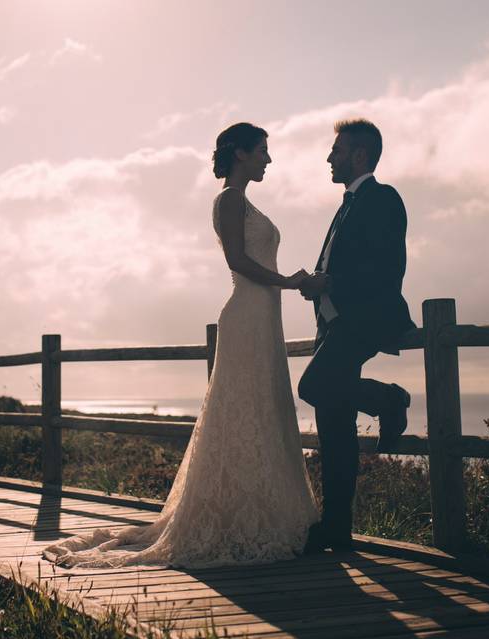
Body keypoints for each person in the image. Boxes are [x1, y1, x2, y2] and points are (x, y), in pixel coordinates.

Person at [42, 123, 319, 569]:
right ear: (241, 153)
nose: (269, 159)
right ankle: (234, 521)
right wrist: (289, 281)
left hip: (265, 318)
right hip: (247, 315)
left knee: (263, 411)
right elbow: (237, 260)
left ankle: (262, 513)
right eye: (263, 151)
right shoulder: (229, 200)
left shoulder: (245, 202)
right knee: (240, 412)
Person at [297, 119, 416, 553]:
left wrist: (328, 283)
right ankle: (337, 528)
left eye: (337, 150)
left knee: (312, 385)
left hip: (365, 319)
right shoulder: (346, 203)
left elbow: (385, 267)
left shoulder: (383, 199)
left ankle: (388, 399)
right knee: (334, 425)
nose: (330, 157)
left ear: (359, 155)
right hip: (334, 325)